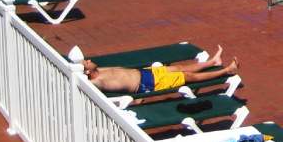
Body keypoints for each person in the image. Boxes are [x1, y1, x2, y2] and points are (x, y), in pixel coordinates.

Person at [83, 48, 239, 95]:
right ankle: (227, 70)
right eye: (86, 62)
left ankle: (213, 62)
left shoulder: (99, 70)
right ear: (87, 73)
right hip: (147, 84)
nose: (89, 60)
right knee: (187, 76)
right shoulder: (97, 82)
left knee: (178, 68)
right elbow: (87, 85)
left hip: (146, 73)